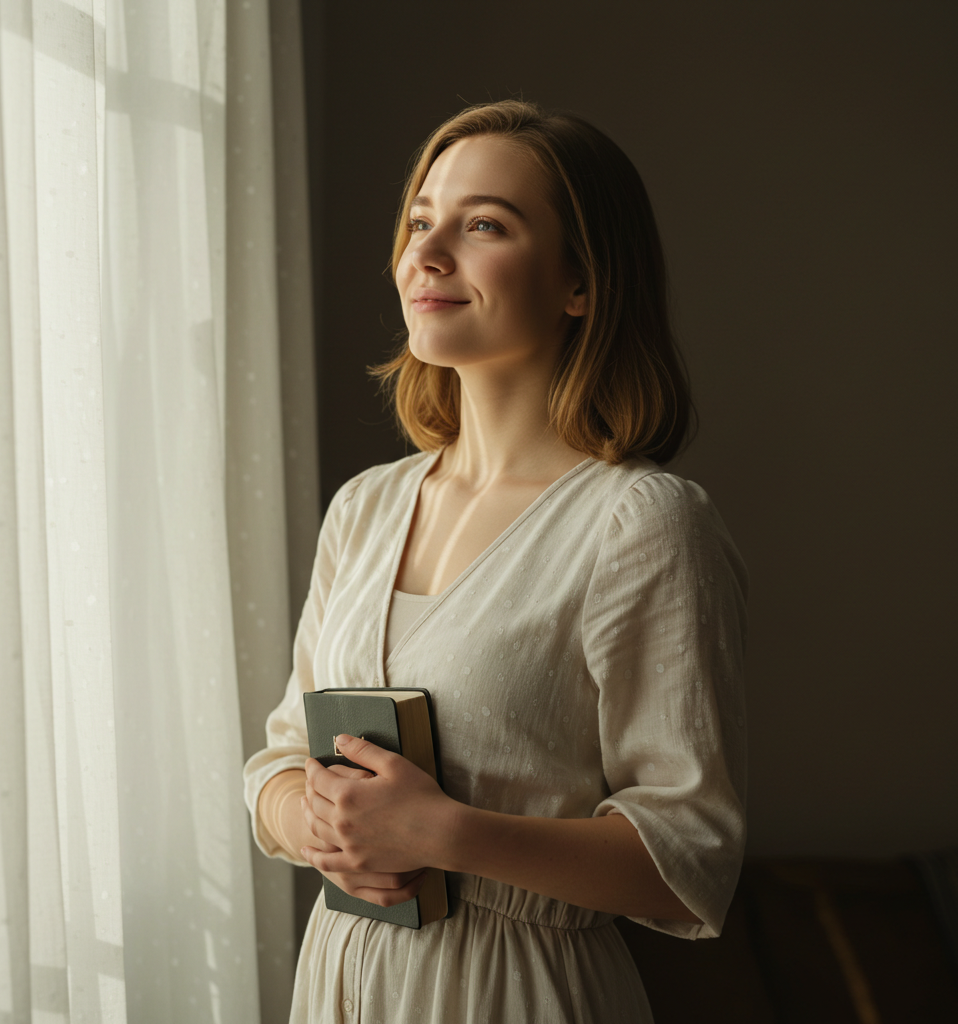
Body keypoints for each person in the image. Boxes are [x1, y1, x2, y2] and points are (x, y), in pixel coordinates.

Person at [243, 99, 748, 1024]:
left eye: (483, 225)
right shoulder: (365, 507)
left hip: (520, 994)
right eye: (420, 221)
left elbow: (689, 861)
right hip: (341, 982)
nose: (427, 255)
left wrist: (445, 832)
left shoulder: (641, 524)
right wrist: (308, 819)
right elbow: (280, 758)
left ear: (581, 283)